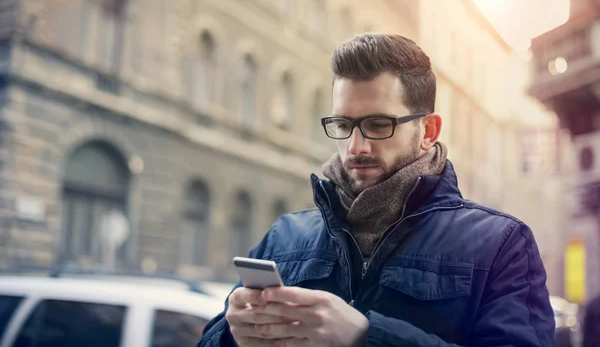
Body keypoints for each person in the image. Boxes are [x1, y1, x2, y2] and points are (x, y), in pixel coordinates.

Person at [197, 34, 555, 346]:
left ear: (428, 131)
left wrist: (365, 337)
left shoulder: (501, 245)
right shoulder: (285, 238)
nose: (356, 147)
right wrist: (233, 336)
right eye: (343, 124)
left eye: (377, 124)